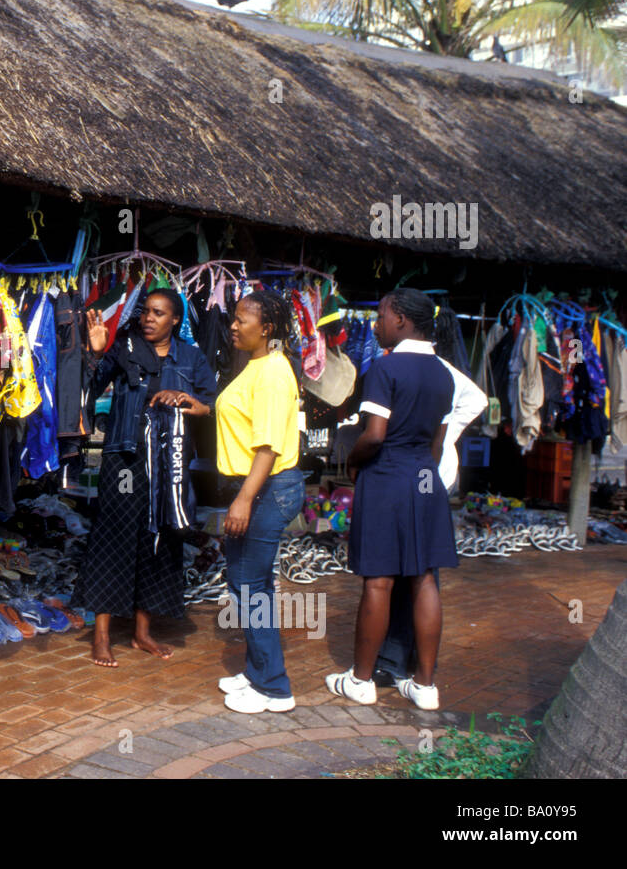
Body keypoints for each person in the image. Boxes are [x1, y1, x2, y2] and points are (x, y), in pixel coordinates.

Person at [328, 289, 458, 710]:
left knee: (379, 579)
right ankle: (424, 686)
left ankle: (362, 681)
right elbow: (437, 444)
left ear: (401, 319)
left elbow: (375, 436)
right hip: (425, 477)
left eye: (381, 314)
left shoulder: (385, 369)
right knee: (423, 577)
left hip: (386, 476)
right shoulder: (443, 373)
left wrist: (352, 462)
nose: (376, 323)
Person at [79, 289, 218, 667]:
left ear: (175, 319)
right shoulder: (124, 346)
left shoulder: (191, 357)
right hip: (125, 459)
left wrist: (185, 398)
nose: (148, 319)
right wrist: (94, 352)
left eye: (158, 313)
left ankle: (142, 633)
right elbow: (91, 387)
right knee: (113, 537)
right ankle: (102, 636)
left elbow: (211, 403)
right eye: (145, 312)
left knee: (159, 539)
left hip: (168, 463)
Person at [373, 335, 487, 688]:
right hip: (419, 471)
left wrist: (444, 435)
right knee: (414, 572)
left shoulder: (436, 369)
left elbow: (477, 400)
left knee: (418, 573)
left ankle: (405, 664)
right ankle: (404, 664)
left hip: (425, 474)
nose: (378, 326)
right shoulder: (399, 364)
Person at [214, 289, 306, 713]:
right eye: (233, 318)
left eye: (242, 320)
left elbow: (267, 447)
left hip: (268, 489)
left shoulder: (272, 371)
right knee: (251, 584)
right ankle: (257, 671)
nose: (233, 325)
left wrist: (244, 500)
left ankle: (274, 687)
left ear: (266, 329)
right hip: (258, 489)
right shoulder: (256, 366)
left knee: (250, 587)